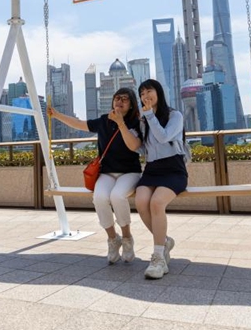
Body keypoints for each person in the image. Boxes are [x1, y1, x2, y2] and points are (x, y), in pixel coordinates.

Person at [48, 87, 142, 264]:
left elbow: (134, 146)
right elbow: (79, 124)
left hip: (130, 172)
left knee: (117, 196)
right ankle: (113, 239)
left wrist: (121, 123)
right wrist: (57, 115)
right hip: (106, 172)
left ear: (131, 105)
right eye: (116, 98)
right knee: (99, 197)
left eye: (124, 99)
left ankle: (127, 238)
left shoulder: (136, 123)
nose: (119, 101)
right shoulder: (103, 121)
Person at [135, 79, 189, 280]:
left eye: (149, 91)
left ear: (158, 92)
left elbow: (163, 137)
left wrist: (148, 115)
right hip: (152, 169)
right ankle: (164, 241)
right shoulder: (143, 120)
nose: (145, 96)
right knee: (141, 202)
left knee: (156, 203)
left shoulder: (175, 115)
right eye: (141, 94)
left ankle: (158, 258)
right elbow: (143, 147)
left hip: (173, 169)